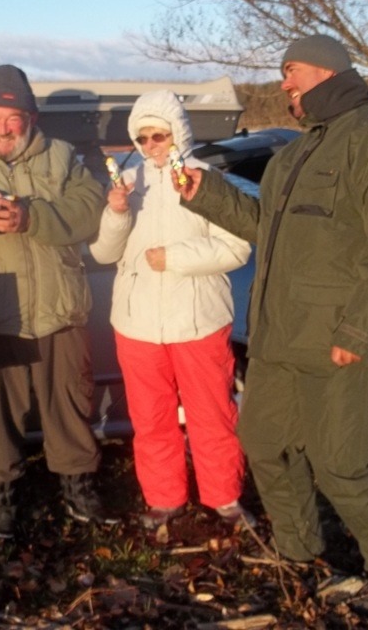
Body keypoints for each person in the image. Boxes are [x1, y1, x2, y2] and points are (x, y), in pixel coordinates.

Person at [174, 35, 368, 617]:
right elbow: (267, 228)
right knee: (263, 441)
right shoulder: (299, 150)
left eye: (291, 71)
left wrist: (359, 331)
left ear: (327, 72)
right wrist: (209, 193)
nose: (284, 84)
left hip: (342, 337)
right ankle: (298, 549)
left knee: (342, 460)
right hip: (280, 334)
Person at [0, 64, 114, 539]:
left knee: (70, 407)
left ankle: (78, 491)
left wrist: (31, 217)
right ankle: (2, 502)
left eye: (10, 117)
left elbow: (89, 212)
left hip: (59, 307)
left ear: (31, 118)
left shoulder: (64, 157)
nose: (0, 128)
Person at [88, 90, 254, 531]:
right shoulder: (128, 182)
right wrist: (116, 212)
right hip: (136, 324)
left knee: (213, 413)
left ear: (177, 132)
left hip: (199, 320)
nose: (150, 145)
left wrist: (177, 258)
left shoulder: (204, 180)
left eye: (158, 134)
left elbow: (237, 247)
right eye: (141, 137)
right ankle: (164, 499)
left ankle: (225, 497)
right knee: (151, 419)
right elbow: (104, 253)